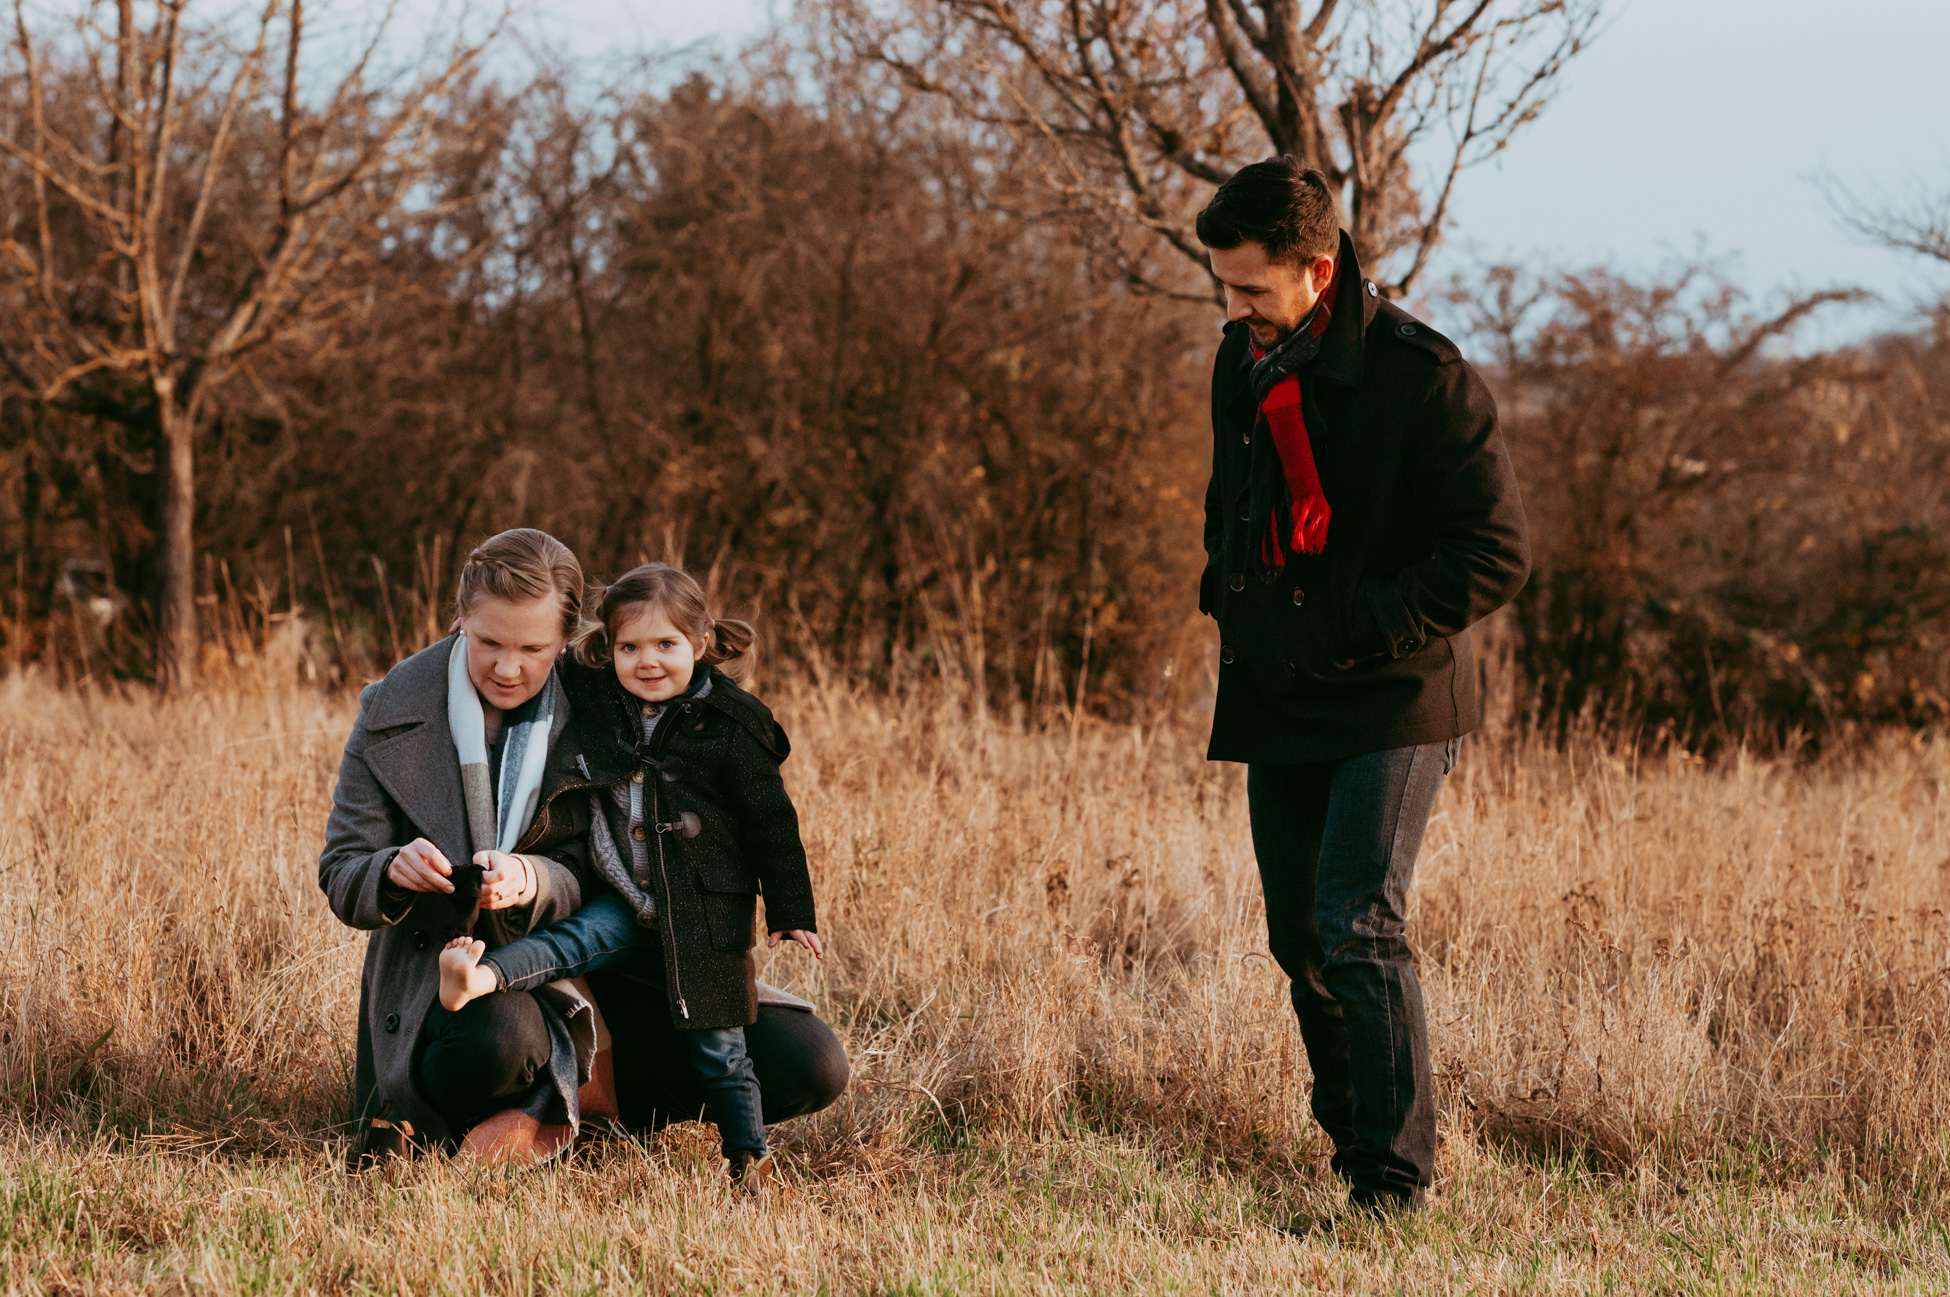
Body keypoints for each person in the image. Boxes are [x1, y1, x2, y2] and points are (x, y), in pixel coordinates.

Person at [1194, 157, 1530, 1216]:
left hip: (1395, 693)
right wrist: (1228, 597)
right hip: (1277, 687)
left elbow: (1494, 551)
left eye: (1250, 287)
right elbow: (1231, 502)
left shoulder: (1423, 373)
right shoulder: (1237, 360)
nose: (1231, 306)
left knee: (1359, 922)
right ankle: (1354, 1155)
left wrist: (1356, 625)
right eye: (1222, 282)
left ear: (1318, 267)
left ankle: (1394, 1185)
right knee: (1299, 936)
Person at [319, 530, 848, 1166]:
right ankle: (490, 1116)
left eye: (533, 648)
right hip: (451, 994)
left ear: (567, 641)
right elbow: (343, 870)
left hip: (607, 972)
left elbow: (620, 858)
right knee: (503, 1036)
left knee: (809, 1059)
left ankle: (584, 1109)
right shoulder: (389, 710)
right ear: (458, 620)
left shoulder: (610, 704)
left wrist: (534, 879)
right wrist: (391, 871)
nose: (507, 668)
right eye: (487, 642)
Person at [437, 562, 822, 1189]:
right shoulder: (601, 698)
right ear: (607, 650)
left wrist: (791, 911)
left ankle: (749, 1159)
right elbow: (536, 657)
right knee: (567, 944)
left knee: (720, 1045)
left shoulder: (732, 725)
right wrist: (478, 632)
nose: (648, 662)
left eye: (666, 645)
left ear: (699, 645)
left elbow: (772, 824)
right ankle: (476, 979)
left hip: (699, 914)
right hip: (625, 896)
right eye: (630, 647)